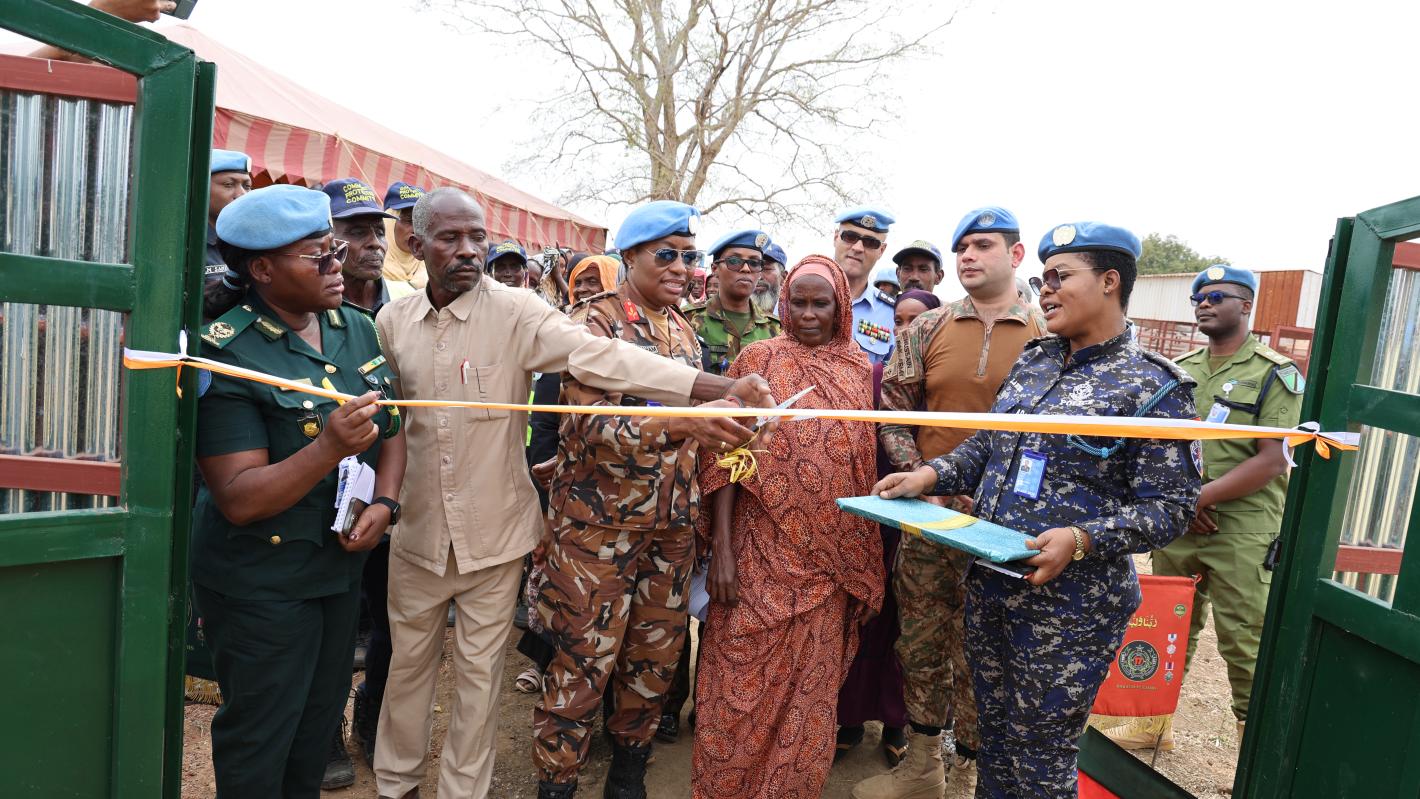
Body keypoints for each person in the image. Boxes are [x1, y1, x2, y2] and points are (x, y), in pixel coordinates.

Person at [372, 190, 772, 799]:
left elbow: (604, 358)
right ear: (414, 244)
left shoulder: (519, 312)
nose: (470, 250)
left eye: (478, 236)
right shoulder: (391, 325)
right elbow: (394, 430)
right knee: (408, 675)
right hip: (423, 534)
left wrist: (715, 385)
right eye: (451, 239)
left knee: (480, 682)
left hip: (496, 536)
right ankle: (396, 786)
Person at [872, 221, 1201, 799]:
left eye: (1060, 277)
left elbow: (1170, 506)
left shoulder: (1153, 388)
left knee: (1043, 756)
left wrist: (1081, 536)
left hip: (1069, 607)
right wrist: (930, 473)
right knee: (993, 739)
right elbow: (991, 444)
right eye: (1042, 278)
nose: (1045, 289)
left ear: (1109, 281)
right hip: (994, 582)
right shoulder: (1036, 362)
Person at [533, 201, 766, 799]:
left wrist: (734, 425)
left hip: (670, 532)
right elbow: (585, 427)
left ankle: (628, 776)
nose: (681, 266)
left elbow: (698, 429)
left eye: (689, 256)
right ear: (629, 256)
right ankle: (556, 782)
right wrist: (686, 425)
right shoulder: (592, 325)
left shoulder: (683, 331)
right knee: (582, 665)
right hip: (597, 535)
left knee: (653, 664)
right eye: (666, 254)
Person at [193, 184, 406, 798]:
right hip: (261, 580)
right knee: (262, 738)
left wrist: (386, 503)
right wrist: (328, 447)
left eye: (334, 250)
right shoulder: (229, 353)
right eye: (319, 257)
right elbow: (239, 496)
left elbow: (393, 427)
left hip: (335, 568)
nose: (337, 266)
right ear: (262, 270)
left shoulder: (355, 330)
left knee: (315, 734)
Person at [854, 207, 1046, 799]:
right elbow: (895, 409)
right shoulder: (926, 327)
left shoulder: (1050, 334)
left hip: (1007, 526)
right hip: (930, 517)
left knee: (983, 649)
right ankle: (922, 765)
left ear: (1015, 256)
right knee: (921, 642)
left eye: (983, 245)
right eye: (960, 246)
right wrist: (919, 477)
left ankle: (967, 772)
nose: (967, 256)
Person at [692, 256, 883, 798]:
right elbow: (726, 451)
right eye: (796, 301)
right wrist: (723, 549)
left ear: (840, 306)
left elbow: (859, 467)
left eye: (819, 303)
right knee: (736, 686)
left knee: (808, 700)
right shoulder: (758, 359)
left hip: (829, 566)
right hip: (757, 552)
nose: (806, 314)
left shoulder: (857, 369)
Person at [1142, 265, 1303, 746]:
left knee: (1244, 638)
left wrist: (1197, 497)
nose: (1204, 305)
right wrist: (1182, 502)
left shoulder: (1275, 372)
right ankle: (1150, 725)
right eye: (1198, 299)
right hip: (1182, 520)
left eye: (1216, 296)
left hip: (1243, 525)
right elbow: (1163, 448)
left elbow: (1272, 460)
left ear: (1246, 305)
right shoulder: (1181, 370)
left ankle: (1254, 752)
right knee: (1167, 622)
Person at [313, 177, 403, 777]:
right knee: (334, 623)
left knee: (393, 619)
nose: (369, 243)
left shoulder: (401, 308)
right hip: (320, 490)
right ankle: (325, 731)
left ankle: (372, 718)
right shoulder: (311, 302)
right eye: (353, 232)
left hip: (389, 490)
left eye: (376, 231)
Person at [835, 288, 942, 769]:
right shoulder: (873, 377)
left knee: (911, 621)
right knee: (867, 612)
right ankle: (851, 718)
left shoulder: (942, 382)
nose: (904, 331)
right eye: (898, 320)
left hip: (930, 517)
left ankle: (898, 722)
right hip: (875, 514)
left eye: (916, 321)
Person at [684, 230, 783, 377]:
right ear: (715, 269)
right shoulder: (687, 320)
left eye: (754, 263)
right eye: (734, 261)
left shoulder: (776, 329)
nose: (746, 268)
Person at [833, 206, 898, 364]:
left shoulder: (894, 315)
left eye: (870, 242)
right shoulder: (797, 295)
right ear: (835, 238)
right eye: (850, 237)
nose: (858, 248)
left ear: (881, 251)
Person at [382, 181, 427, 299]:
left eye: (421, 223)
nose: (416, 230)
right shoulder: (369, 269)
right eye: (409, 221)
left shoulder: (432, 270)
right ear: (388, 222)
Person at [754, 242, 787, 315]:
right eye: (753, 267)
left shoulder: (792, 316)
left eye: (766, 269)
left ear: (783, 277)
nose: (759, 277)